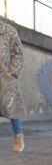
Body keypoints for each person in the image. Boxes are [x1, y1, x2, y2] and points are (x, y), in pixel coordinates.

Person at [0, 20, 26, 152]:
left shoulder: (8, 30)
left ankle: (18, 136)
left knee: (12, 109)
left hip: (5, 77)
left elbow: (18, 52)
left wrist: (13, 72)